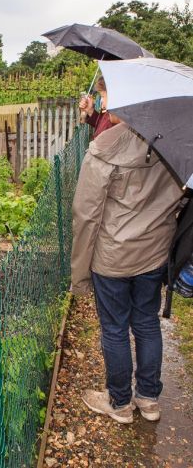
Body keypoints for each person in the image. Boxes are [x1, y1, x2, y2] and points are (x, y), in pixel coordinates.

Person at [71, 110, 183, 424]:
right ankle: (149, 400)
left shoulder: (104, 148)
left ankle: (119, 402)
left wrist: (80, 273)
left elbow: (86, 215)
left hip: (112, 258)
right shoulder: (177, 145)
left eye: (106, 97)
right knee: (146, 322)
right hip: (154, 254)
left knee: (115, 328)